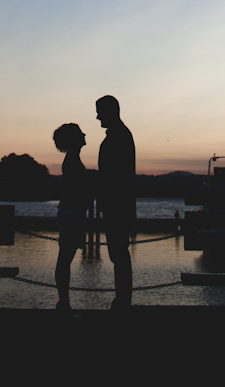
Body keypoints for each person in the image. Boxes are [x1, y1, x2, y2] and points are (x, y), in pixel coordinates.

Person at [96, 94, 135, 310]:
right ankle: (122, 300)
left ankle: (122, 302)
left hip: (116, 205)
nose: (97, 117)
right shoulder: (121, 135)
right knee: (118, 253)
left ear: (110, 112)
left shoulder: (118, 137)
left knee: (118, 253)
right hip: (118, 204)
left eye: (100, 112)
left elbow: (115, 176)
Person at [52, 122, 89, 317]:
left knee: (65, 258)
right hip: (71, 213)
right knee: (65, 259)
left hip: (71, 212)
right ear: (74, 139)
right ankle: (64, 305)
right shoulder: (72, 161)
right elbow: (77, 190)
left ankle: (64, 304)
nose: (84, 135)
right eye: (80, 133)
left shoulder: (72, 160)